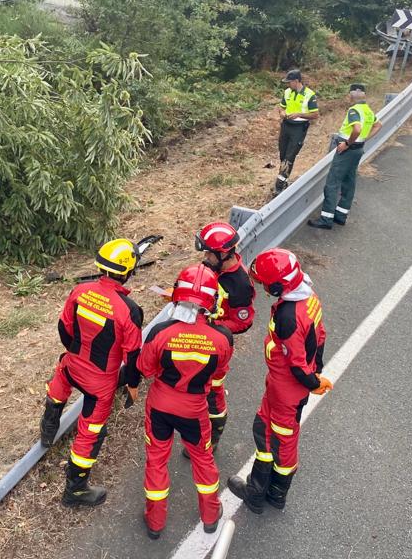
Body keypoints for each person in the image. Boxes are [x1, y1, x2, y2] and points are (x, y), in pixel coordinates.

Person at [38, 238, 144, 507]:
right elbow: (132, 356)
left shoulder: (79, 291)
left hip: (72, 366)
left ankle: (47, 432)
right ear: (128, 272)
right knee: (91, 433)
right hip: (100, 383)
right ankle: (75, 490)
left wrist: (76, 351)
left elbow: (64, 328)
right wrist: (132, 384)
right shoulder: (129, 311)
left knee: (58, 387)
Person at [227, 249, 330, 514]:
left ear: (278, 284)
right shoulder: (309, 297)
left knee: (268, 436)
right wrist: (316, 371)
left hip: (285, 387)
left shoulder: (288, 317)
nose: (263, 288)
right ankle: (276, 495)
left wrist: (311, 381)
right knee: (284, 439)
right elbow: (320, 335)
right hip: (289, 387)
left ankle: (255, 494)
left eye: (264, 284)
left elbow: (295, 364)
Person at [139, 263, 234, 539]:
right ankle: (210, 514)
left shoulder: (161, 332)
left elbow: (145, 369)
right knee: (203, 459)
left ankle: (155, 521)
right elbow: (218, 372)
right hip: (194, 410)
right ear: (212, 301)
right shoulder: (222, 338)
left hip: (159, 406)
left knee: (156, 460)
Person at [187, 222, 254, 455]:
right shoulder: (213, 267)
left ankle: (213, 435)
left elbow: (243, 321)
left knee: (213, 391)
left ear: (224, 253)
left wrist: (215, 327)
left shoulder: (240, 285)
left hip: (216, 343)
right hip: (199, 334)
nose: (205, 257)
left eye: (208, 252)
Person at [307, 83, 381, 230]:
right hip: (358, 150)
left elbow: (357, 129)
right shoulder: (367, 110)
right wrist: (364, 139)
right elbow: (378, 125)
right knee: (349, 182)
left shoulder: (354, 110)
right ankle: (341, 216)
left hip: (347, 151)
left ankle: (326, 219)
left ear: (350, 95)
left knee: (333, 183)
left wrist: (347, 143)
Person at [275, 69, 319, 194]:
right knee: (283, 154)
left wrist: (299, 114)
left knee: (290, 156)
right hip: (286, 126)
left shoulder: (309, 95)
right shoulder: (287, 92)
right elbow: (281, 107)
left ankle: (279, 185)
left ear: (296, 81)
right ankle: (283, 178)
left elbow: (315, 115)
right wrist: (282, 113)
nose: (288, 85)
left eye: (289, 82)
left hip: (299, 128)